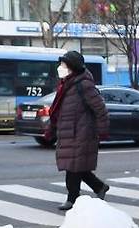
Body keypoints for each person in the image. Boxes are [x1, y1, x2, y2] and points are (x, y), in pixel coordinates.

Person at [44, 51, 109, 211]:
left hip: (81, 133)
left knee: (73, 168)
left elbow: (100, 109)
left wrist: (102, 130)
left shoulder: (83, 85)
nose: (61, 68)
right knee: (78, 167)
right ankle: (99, 187)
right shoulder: (66, 85)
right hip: (69, 133)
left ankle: (72, 198)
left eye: (64, 65)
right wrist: (51, 130)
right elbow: (58, 112)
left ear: (72, 67)